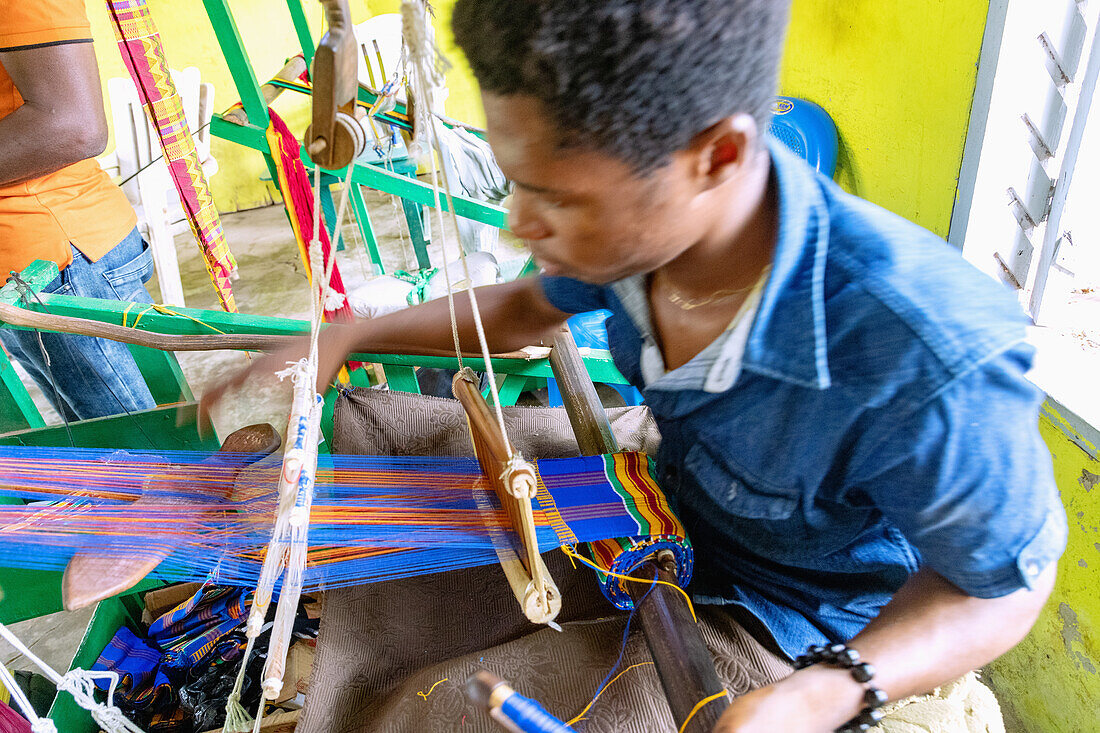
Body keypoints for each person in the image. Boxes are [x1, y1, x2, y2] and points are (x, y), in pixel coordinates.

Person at [204, 1, 1067, 730]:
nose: (516, 225)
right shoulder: (643, 226)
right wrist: (350, 338)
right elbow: (526, 309)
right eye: (518, 185)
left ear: (718, 157)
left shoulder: (924, 353)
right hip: (654, 495)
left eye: (557, 198)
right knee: (375, 434)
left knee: (453, 715)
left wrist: (824, 692)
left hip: (778, 616)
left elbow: (1000, 589)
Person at [0, 0, 156, 421]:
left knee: (143, 457)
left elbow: (73, 126)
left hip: (59, 265)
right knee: (102, 452)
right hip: (22, 271)